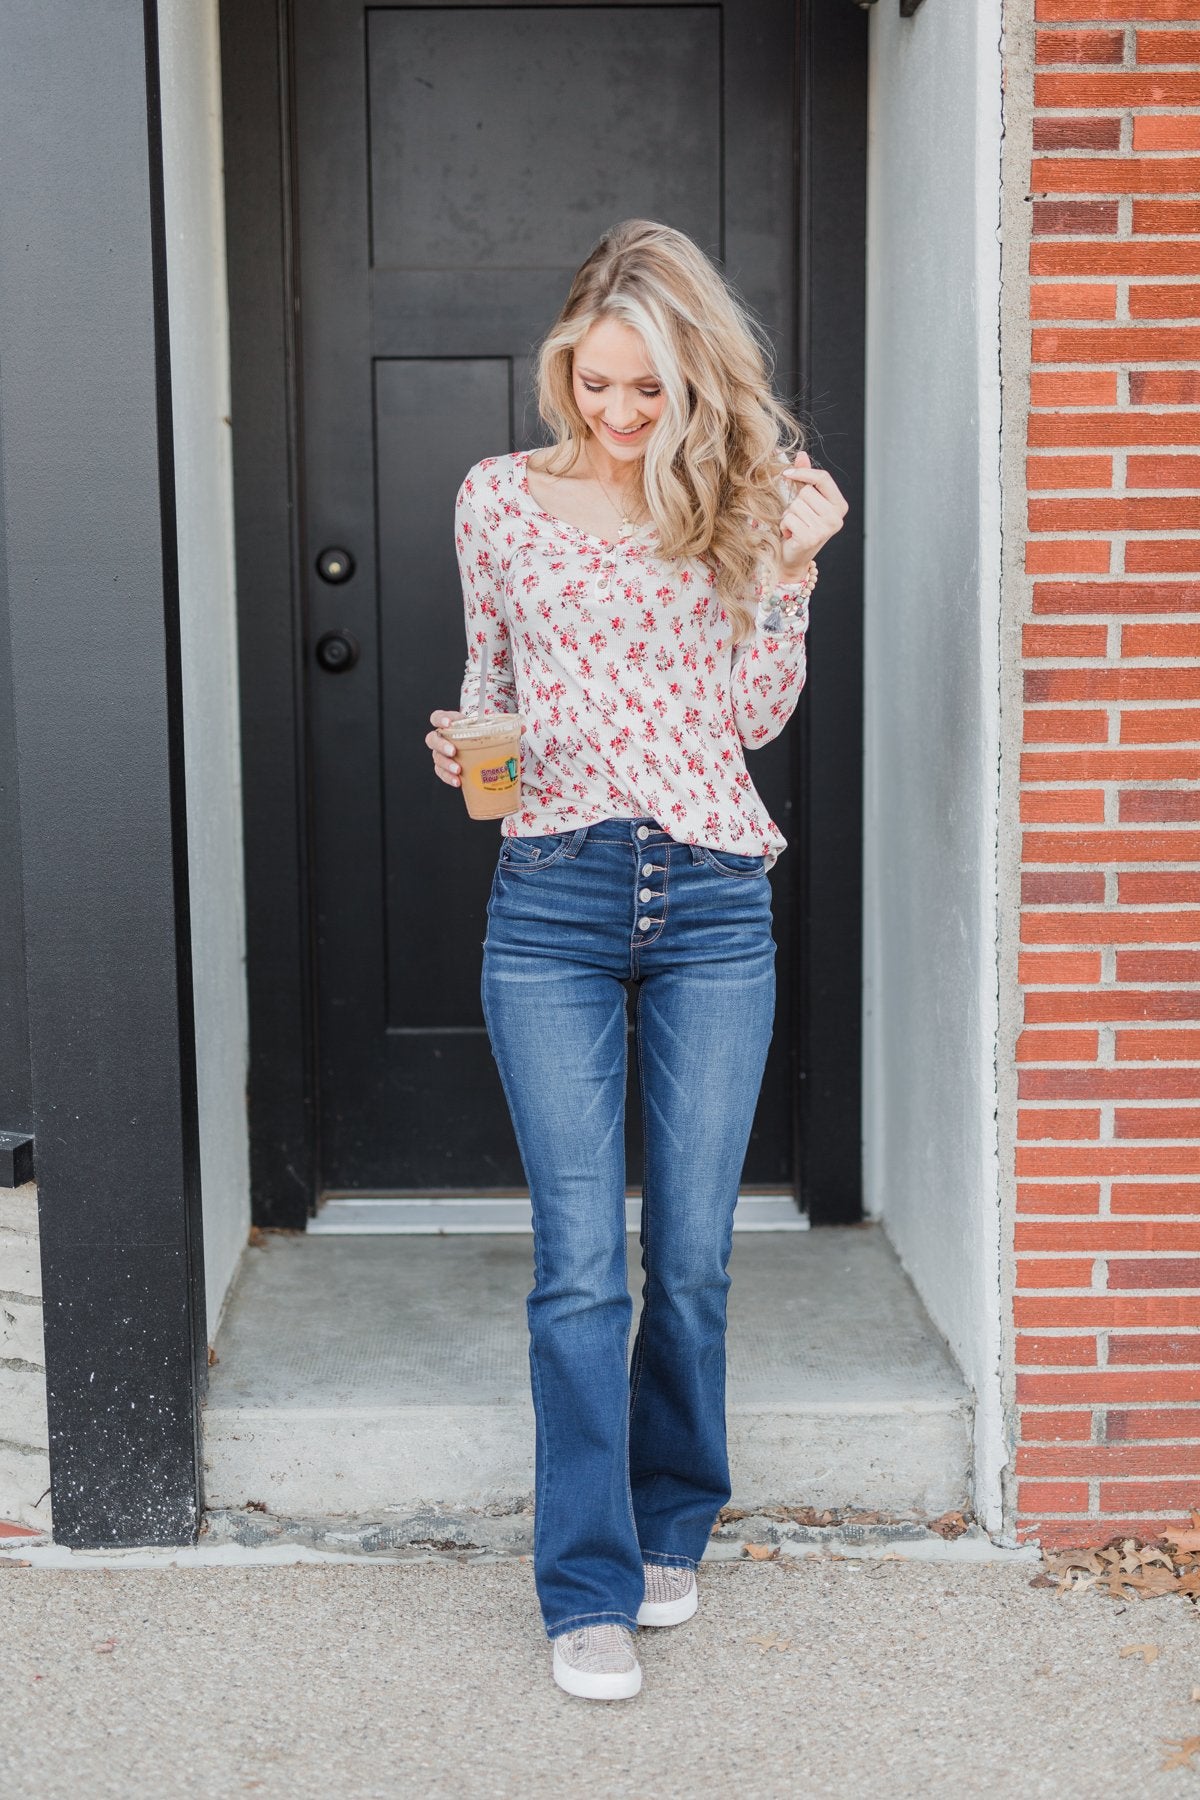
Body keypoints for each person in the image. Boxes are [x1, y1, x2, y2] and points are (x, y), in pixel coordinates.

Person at [425, 219, 848, 1701]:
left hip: (716, 896)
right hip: (550, 894)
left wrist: (789, 567)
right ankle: (584, 1589)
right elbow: (492, 688)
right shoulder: (497, 500)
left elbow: (750, 718)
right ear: (565, 367)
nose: (616, 414)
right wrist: (467, 751)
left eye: (646, 391)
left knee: (695, 1257)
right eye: (594, 383)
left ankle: (673, 1525)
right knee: (578, 1271)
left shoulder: (737, 500)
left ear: (692, 384)